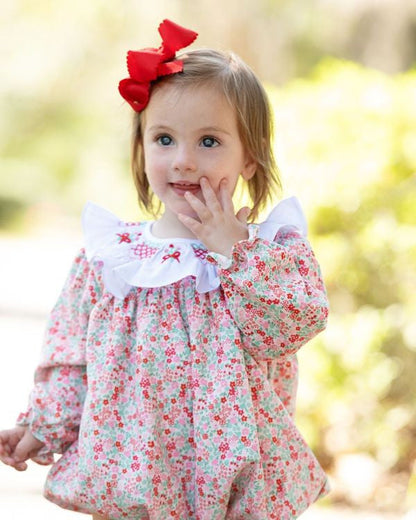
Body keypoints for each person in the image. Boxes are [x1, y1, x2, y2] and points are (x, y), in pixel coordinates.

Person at [0, 19, 330, 520]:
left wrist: (231, 250)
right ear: (143, 147)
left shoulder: (268, 253)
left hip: (230, 484)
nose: (183, 161)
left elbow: (291, 324)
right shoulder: (111, 257)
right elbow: (70, 356)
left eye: (210, 142)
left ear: (250, 159)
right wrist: (42, 426)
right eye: (164, 139)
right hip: (131, 478)